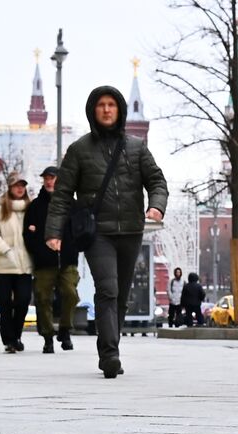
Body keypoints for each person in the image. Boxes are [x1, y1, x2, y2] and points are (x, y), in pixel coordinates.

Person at [46, 85, 168, 379]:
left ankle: (111, 346)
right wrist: (54, 231)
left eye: (111, 104)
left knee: (121, 295)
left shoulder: (136, 147)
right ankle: (109, 355)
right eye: (100, 104)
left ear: (120, 110)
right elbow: (62, 195)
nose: (106, 109)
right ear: (93, 110)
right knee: (108, 289)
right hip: (97, 232)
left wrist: (156, 207)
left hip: (130, 230)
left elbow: (157, 181)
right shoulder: (79, 150)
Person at [24, 165, 82, 352]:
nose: (49, 181)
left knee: (71, 295)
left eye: (52, 178)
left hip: (67, 260)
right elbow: (28, 234)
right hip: (44, 262)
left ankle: (65, 330)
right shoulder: (35, 206)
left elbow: (79, 231)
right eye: (46, 178)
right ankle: (48, 337)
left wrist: (72, 247)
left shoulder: (71, 204)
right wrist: (39, 250)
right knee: (42, 298)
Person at [0, 172, 34, 353]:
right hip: (4, 266)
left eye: (22, 185)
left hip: (25, 265)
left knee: (23, 302)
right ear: (10, 188)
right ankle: (9, 340)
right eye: (16, 185)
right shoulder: (0, 210)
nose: (20, 188)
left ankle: (16, 335)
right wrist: (5, 250)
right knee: (4, 303)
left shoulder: (30, 209)